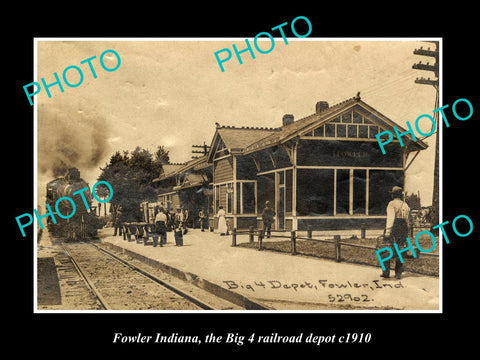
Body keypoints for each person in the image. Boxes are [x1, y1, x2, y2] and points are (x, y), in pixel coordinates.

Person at [381, 186, 411, 279]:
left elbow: (391, 218)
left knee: (387, 249)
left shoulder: (391, 204)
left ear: (393, 194)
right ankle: (398, 273)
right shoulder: (405, 205)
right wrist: (407, 230)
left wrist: (388, 231)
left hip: (395, 228)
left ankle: (386, 272)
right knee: (400, 249)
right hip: (403, 228)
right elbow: (407, 220)